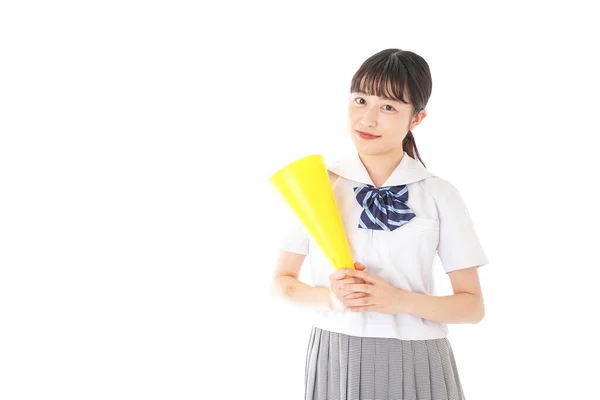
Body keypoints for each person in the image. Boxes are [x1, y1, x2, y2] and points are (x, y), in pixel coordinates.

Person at [271, 48, 489, 400]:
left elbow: (472, 306)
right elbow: (282, 284)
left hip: (418, 357)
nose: (367, 119)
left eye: (388, 107)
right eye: (360, 100)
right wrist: (332, 298)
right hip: (335, 355)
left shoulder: (439, 194)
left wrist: (398, 300)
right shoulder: (317, 186)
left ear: (416, 119)